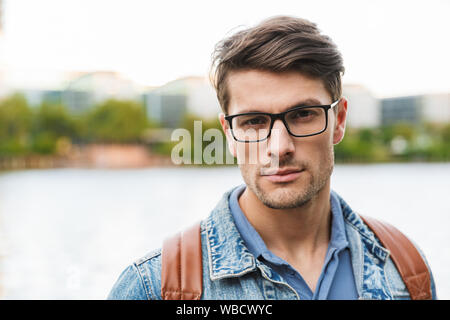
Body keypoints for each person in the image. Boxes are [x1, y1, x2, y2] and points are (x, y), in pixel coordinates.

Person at [108, 16, 437, 300]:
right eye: (253, 121)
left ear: (338, 121)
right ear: (230, 134)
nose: (279, 147)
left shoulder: (405, 269)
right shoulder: (156, 287)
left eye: (303, 114)